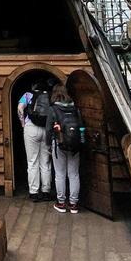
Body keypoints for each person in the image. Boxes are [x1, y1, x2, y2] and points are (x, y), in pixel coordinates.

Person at [48, 84, 85, 214]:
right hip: (75, 145)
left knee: (60, 174)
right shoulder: (75, 108)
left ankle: (61, 203)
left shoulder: (53, 109)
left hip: (59, 144)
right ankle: (74, 204)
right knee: (74, 174)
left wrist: (48, 145)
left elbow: (48, 130)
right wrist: (81, 143)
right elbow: (81, 126)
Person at [18, 80, 54, 202]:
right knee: (46, 162)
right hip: (46, 128)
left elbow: (20, 108)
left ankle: (34, 192)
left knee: (32, 161)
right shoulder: (50, 95)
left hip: (31, 128)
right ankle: (46, 192)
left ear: (34, 86)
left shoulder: (28, 95)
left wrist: (23, 123)